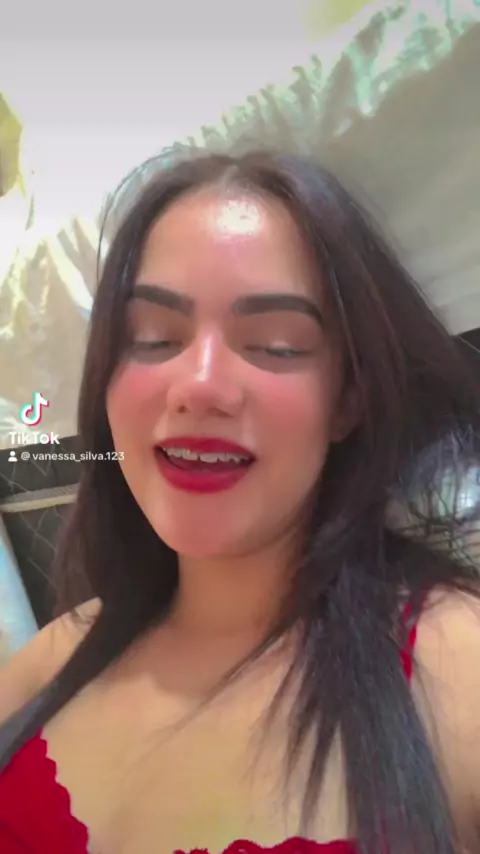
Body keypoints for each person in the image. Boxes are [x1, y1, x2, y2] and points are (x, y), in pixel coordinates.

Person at [0, 149, 480, 854]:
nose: (199, 384)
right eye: (153, 338)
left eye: (275, 345)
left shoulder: (458, 662)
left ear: (349, 399)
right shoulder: (48, 662)